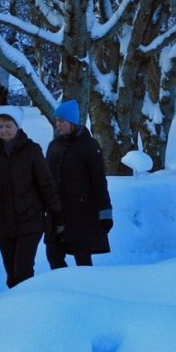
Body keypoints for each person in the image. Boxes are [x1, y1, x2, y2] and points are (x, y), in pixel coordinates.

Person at [0, 113, 63, 289]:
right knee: (12, 274)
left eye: (8, 126)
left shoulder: (32, 150)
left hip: (31, 220)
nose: (4, 130)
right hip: (4, 222)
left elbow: (46, 184)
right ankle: (14, 312)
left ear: (18, 127)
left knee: (23, 271)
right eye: (0, 126)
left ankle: (26, 309)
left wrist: (56, 214)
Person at [45, 100, 113, 268]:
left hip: (81, 213)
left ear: (73, 122)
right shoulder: (54, 146)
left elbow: (99, 181)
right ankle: (63, 289)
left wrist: (105, 213)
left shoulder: (89, 146)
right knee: (53, 254)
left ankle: (84, 290)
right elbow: (46, 179)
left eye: (62, 121)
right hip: (56, 212)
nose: (58, 125)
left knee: (82, 257)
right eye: (57, 121)